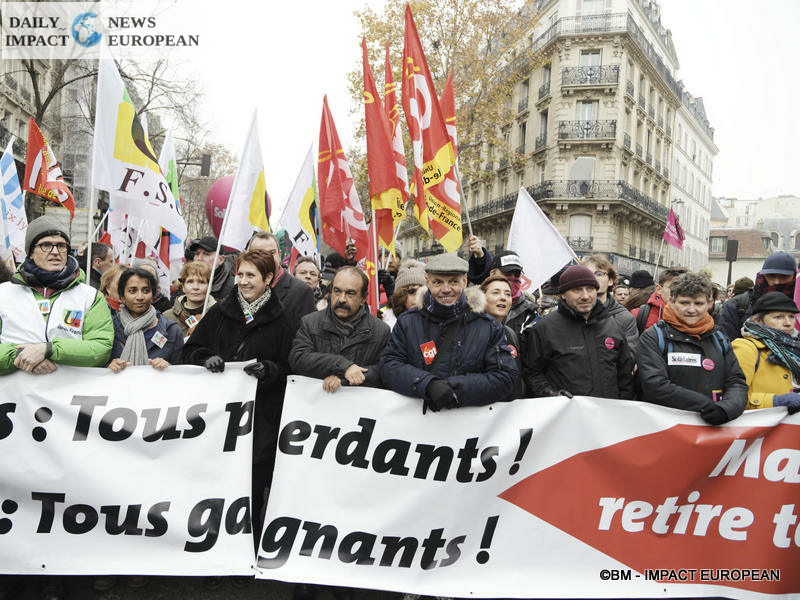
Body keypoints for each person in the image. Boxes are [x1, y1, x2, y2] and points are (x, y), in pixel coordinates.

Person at [0, 216, 113, 600]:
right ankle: (20, 579)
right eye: (45, 245)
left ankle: (71, 580)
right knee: (19, 496)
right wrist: (19, 356)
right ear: (30, 251)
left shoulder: (88, 296)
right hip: (15, 427)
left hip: (70, 426)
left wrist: (51, 350)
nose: (54, 251)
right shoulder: (4, 295)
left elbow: (100, 348)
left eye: (61, 245)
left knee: (70, 497)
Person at [182, 249, 294, 546]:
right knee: (214, 486)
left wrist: (269, 370)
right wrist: (205, 358)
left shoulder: (282, 320)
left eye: (250, 275)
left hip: (260, 423)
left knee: (253, 489)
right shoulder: (220, 312)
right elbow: (190, 351)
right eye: (240, 274)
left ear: (268, 279)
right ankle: (210, 546)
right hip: (218, 420)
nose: (243, 281)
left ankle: (247, 548)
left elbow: (289, 367)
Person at [379, 253, 517, 411]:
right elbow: (389, 366)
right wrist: (427, 384)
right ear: (427, 281)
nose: (446, 289)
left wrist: (455, 389)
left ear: (464, 281)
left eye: (453, 281)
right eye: (438, 282)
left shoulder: (489, 327)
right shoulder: (408, 322)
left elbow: (505, 376)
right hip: (416, 422)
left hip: (467, 423)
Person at [635, 272, 747, 425]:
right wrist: (704, 404)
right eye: (684, 303)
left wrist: (725, 409)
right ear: (671, 301)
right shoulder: (654, 337)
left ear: (709, 303)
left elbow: (736, 382)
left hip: (713, 426)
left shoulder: (719, 338)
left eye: (698, 303)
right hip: (665, 427)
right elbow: (655, 385)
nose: (691, 310)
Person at [523, 265, 635, 399]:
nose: (585, 296)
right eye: (577, 290)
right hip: (566, 411)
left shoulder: (612, 326)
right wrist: (551, 394)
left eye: (590, 289)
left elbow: (625, 377)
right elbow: (532, 373)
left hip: (607, 410)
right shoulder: (545, 328)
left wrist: (622, 405)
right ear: (563, 294)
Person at [290, 266, 390, 393]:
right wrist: (342, 366)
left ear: (363, 298)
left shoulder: (381, 331)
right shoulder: (310, 323)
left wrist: (343, 380)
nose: (342, 299)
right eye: (337, 291)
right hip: (316, 402)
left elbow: (384, 371)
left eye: (350, 293)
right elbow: (298, 359)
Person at [731, 292, 800, 412]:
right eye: (778, 317)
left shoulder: (796, 346)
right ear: (758, 320)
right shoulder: (746, 348)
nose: (788, 323)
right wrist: (775, 401)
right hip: (760, 422)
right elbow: (733, 399)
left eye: (791, 316)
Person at [107, 267, 183, 372]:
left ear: (153, 295)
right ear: (122, 296)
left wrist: (168, 368)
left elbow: (180, 372)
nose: (140, 297)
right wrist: (108, 367)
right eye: (132, 291)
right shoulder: (109, 328)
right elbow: (95, 369)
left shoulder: (171, 331)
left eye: (146, 291)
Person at [719, 252, 797, 341]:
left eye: (783, 276)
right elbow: (726, 344)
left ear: (794, 276)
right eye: (771, 276)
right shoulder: (736, 305)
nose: (776, 281)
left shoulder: (797, 302)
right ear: (763, 275)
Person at [247, 231, 315, 331]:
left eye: (271, 253)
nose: (267, 258)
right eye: (259, 253)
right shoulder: (241, 290)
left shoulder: (302, 292)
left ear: (279, 255)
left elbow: (303, 336)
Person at [480, 275, 525, 398]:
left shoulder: (510, 333)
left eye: (508, 294)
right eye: (496, 293)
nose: (503, 298)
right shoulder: (471, 332)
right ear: (482, 298)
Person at [582, 255, 639, 350]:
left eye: (599, 273)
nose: (592, 277)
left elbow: (630, 354)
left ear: (610, 281)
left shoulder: (624, 318)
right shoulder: (569, 313)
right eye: (587, 273)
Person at [163, 261, 216, 337]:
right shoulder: (167, 317)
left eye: (201, 282)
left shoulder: (219, 316)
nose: (195, 287)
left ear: (210, 287)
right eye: (190, 282)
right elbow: (158, 343)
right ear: (183, 287)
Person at [630, 267, 688, 333]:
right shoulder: (637, 315)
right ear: (659, 289)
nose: (678, 292)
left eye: (684, 288)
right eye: (672, 288)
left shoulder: (695, 318)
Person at [189, 236, 236, 301]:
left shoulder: (233, 288)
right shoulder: (186, 284)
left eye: (206, 254)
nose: (199, 258)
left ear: (221, 259)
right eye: (197, 253)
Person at [383, 259, 425, 328]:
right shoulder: (386, 322)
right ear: (400, 295)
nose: (417, 297)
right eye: (412, 291)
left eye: (422, 292)